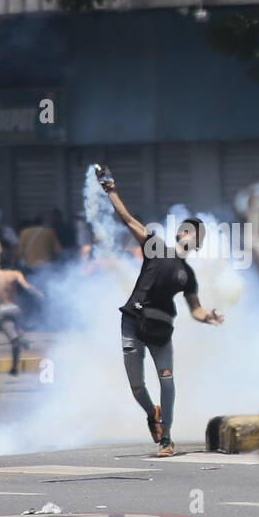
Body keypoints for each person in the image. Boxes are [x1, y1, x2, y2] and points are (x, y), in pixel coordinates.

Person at [97, 165, 223, 457]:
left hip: (160, 329)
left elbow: (196, 310)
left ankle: (166, 437)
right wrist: (111, 190)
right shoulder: (154, 247)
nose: (192, 237)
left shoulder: (188, 275)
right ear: (180, 233)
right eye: (190, 231)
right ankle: (150, 412)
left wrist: (210, 318)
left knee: (166, 379)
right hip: (132, 321)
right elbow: (127, 219)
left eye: (197, 235)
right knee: (137, 384)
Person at [0, 258, 42, 376]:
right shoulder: (15, 274)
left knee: (13, 339)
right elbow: (27, 287)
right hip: (14, 308)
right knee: (18, 332)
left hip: (2, 309)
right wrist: (38, 294)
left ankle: (18, 344)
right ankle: (21, 341)